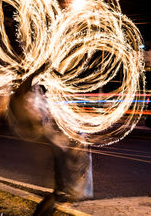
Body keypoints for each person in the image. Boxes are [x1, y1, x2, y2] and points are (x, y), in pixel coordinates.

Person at [7, 64, 93, 215]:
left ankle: (61, 193)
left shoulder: (28, 94)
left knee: (59, 189)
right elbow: (28, 82)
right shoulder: (20, 95)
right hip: (42, 142)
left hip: (46, 140)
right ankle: (62, 192)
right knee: (60, 187)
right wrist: (43, 67)